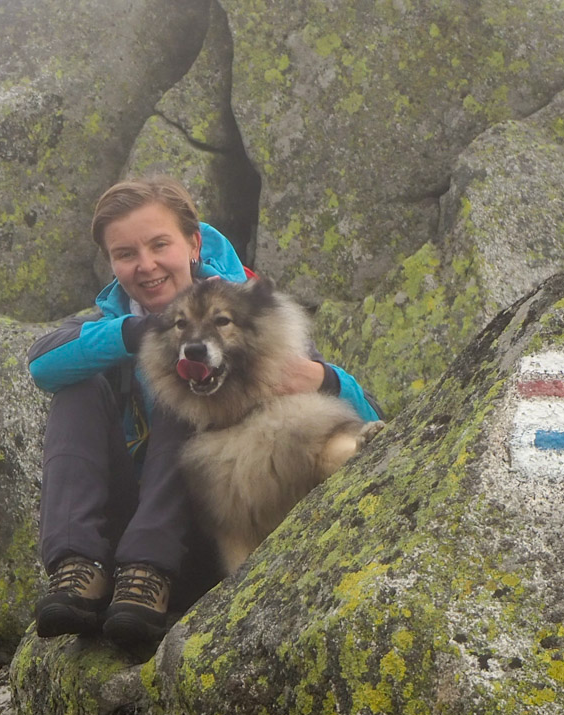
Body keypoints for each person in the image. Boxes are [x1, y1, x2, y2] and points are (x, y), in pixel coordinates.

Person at [25, 177, 380, 650]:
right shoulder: (112, 323)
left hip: (199, 534)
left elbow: (364, 422)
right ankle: (77, 568)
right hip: (124, 530)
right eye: (126, 254)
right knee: (78, 384)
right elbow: (42, 364)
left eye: (159, 244)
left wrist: (326, 379)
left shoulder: (249, 310)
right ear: (111, 264)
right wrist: (139, 332)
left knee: (192, 381)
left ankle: (148, 574)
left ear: (193, 243)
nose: (146, 265)